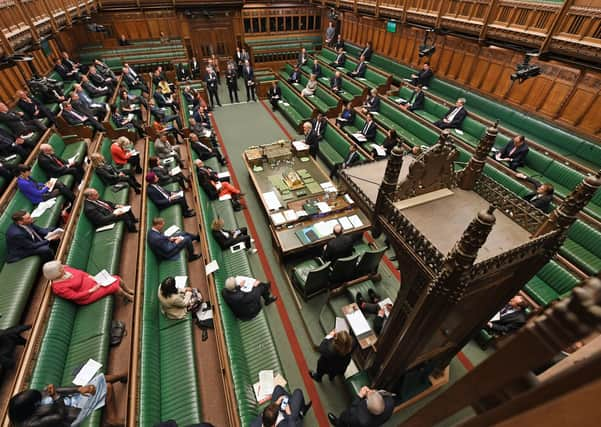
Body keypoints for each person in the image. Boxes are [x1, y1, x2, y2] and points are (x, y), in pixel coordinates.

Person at [8, 372, 128, 427]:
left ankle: (124, 375)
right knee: (107, 386)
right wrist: (55, 397)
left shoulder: (33, 401)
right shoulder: (33, 424)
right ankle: (112, 419)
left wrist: (79, 389)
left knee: (99, 379)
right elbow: (60, 416)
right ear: (31, 407)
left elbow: (58, 390)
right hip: (73, 415)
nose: (42, 394)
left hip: (71, 400)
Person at [43, 260, 134, 304]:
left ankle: (128, 290)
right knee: (114, 287)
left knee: (116, 278)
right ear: (55, 273)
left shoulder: (65, 269)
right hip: (86, 295)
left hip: (91, 281)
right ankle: (127, 297)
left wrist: (92, 277)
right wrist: (92, 290)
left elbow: (80, 272)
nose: (63, 267)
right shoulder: (58, 287)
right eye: (60, 268)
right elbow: (74, 296)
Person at [328, 387, 395, 426]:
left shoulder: (358, 417)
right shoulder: (390, 402)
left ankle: (338, 423)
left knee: (345, 417)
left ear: (367, 406)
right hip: (374, 423)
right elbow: (383, 393)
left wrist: (359, 396)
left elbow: (350, 411)